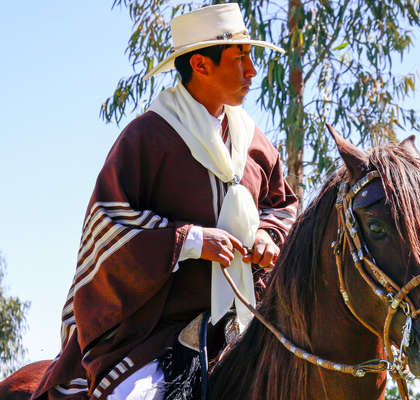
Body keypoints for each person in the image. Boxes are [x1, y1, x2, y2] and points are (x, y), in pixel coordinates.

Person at [32, 3, 297, 400]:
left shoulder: (256, 143)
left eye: (250, 57)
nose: (252, 71)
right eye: (239, 58)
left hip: (253, 320)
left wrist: (268, 234)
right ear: (201, 66)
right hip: (158, 336)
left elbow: (285, 206)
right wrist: (189, 240)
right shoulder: (148, 137)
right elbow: (108, 224)